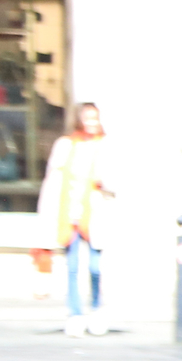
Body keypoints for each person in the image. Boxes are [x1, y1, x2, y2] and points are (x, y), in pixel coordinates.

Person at [38, 101, 114, 336]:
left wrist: (105, 181)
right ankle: (75, 314)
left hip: (95, 213)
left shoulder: (107, 145)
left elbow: (117, 180)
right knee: (71, 266)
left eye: (95, 118)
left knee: (95, 267)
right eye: (87, 118)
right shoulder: (66, 145)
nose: (91, 123)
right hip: (69, 213)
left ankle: (97, 310)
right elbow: (53, 179)